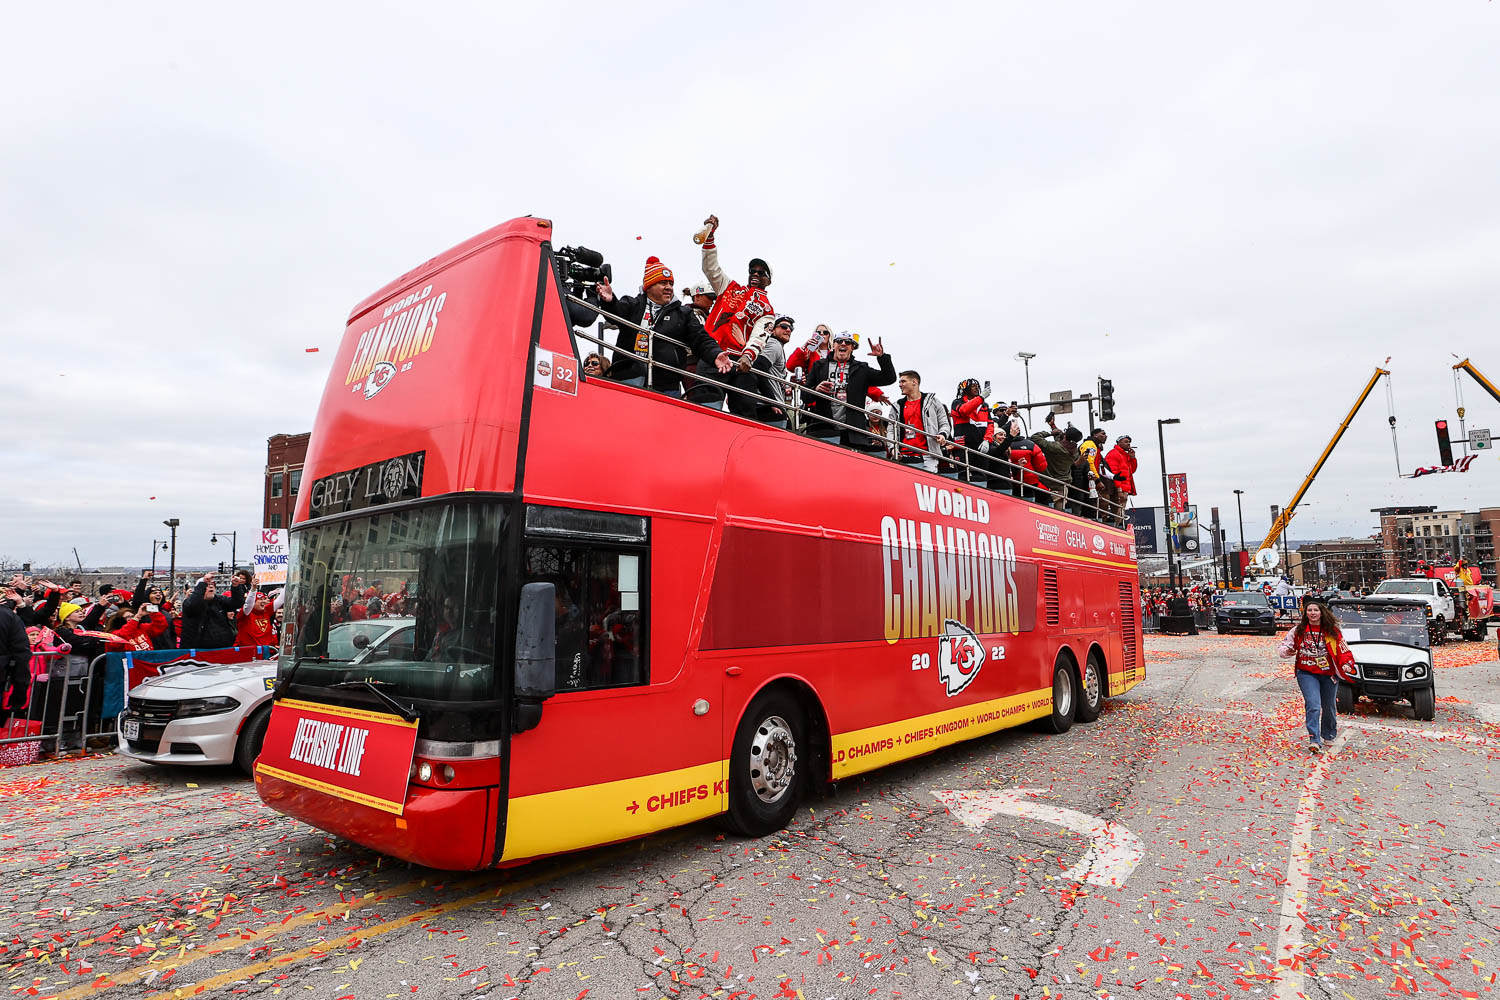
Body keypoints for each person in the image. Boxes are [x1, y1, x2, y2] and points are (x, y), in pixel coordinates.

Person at [591, 256, 733, 396]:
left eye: (671, 284)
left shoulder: (683, 314)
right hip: (628, 376)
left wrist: (715, 354)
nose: (669, 288)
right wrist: (609, 302)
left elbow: (700, 338)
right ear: (649, 286)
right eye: (663, 283)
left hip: (667, 383)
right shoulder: (633, 304)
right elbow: (616, 313)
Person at [687, 215, 777, 417]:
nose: (755, 274)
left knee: (744, 414)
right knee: (704, 409)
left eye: (761, 272)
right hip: (713, 355)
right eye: (753, 270)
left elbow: (760, 335)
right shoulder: (730, 286)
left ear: (769, 281)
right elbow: (710, 268)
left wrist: (748, 355)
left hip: (741, 362)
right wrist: (710, 237)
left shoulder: (768, 310)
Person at [1278, 599, 1355, 753]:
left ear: (1321, 612)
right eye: (1309, 610)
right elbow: (1285, 646)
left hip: (1328, 674)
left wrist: (1347, 664)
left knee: (1329, 706)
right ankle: (1314, 739)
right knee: (1313, 705)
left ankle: (1329, 734)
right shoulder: (1298, 630)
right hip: (1306, 673)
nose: (1313, 613)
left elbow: (1343, 650)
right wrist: (1288, 651)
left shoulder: (1332, 631)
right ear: (1305, 613)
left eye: (1316, 610)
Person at [805, 333, 897, 447]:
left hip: (853, 432)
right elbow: (804, 396)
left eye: (848, 342)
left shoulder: (861, 368)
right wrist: (816, 390)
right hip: (824, 429)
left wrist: (882, 357)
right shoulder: (819, 365)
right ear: (833, 345)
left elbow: (889, 378)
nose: (843, 344)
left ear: (852, 347)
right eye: (839, 341)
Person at [894, 370, 954, 474]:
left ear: (914, 382)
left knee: (924, 482)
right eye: (900, 382)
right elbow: (891, 429)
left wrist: (942, 434)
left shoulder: (933, 401)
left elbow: (944, 423)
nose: (900, 385)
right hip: (903, 455)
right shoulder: (897, 405)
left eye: (903, 381)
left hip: (928, 455)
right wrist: (893, 449)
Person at [0, 604, 32, 727]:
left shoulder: (7, 615)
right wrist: (20, 691)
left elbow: (20, 653)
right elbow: (21, 653)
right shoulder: (8, 615)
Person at [1105, 434, 1138, 524]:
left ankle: (1118, 525)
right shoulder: (1114, 454)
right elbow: (1114, 473)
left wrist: (1132, 458)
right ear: (1119, 443)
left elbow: (1131, 471)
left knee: (1121, 511)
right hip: (1119, 488)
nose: (1128, 444)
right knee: (1118, 511)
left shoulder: (1125, 455)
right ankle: (1116, 527)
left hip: (1124, 488)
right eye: (1126, 442)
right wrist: (1119, 489)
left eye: (1129, 442)